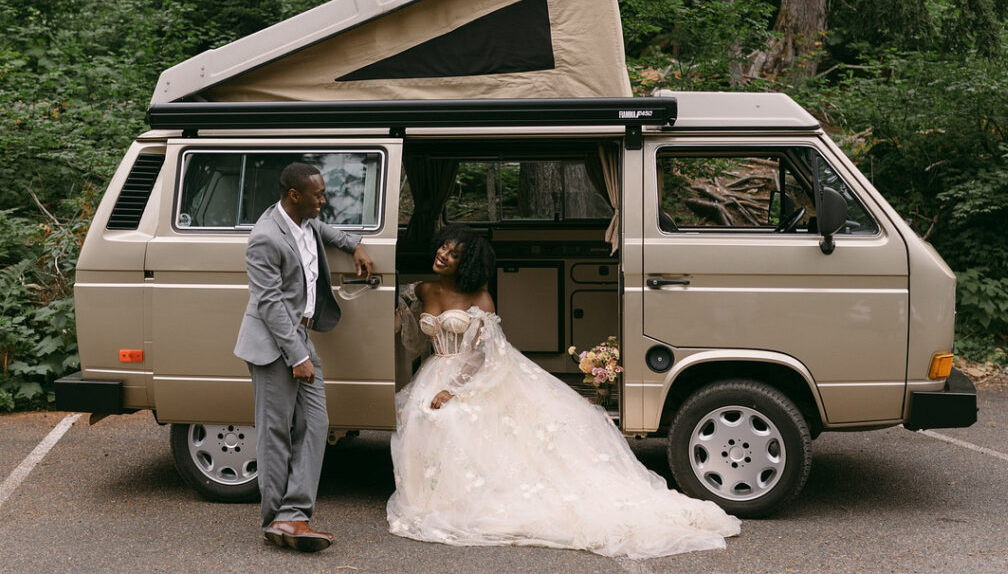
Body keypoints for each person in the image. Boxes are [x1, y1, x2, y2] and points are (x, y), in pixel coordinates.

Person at [388, 224, 740, 559]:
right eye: (443, 247)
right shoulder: (422, 289)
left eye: (454, 253)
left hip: (468, 375)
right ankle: (431, 496)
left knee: (452, 418)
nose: (443, 255)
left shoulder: (480, 297)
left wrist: (453, 390)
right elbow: (409, 323)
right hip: (435, 368)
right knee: (418, 416)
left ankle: (455, 499)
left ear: (468, 263)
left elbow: (483, 354)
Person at [234, 162, 373, 552]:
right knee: (276, 433)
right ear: (294, 195)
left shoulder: (307, 222)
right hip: (273, 343)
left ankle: (294, 515)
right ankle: (275, 520)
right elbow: (269, 303)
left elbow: (326, 230)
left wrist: (354, 244)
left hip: (301, 334)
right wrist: (297, 355)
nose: (323, 201)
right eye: (318, 195)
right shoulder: (265, 237)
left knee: (315, 424)